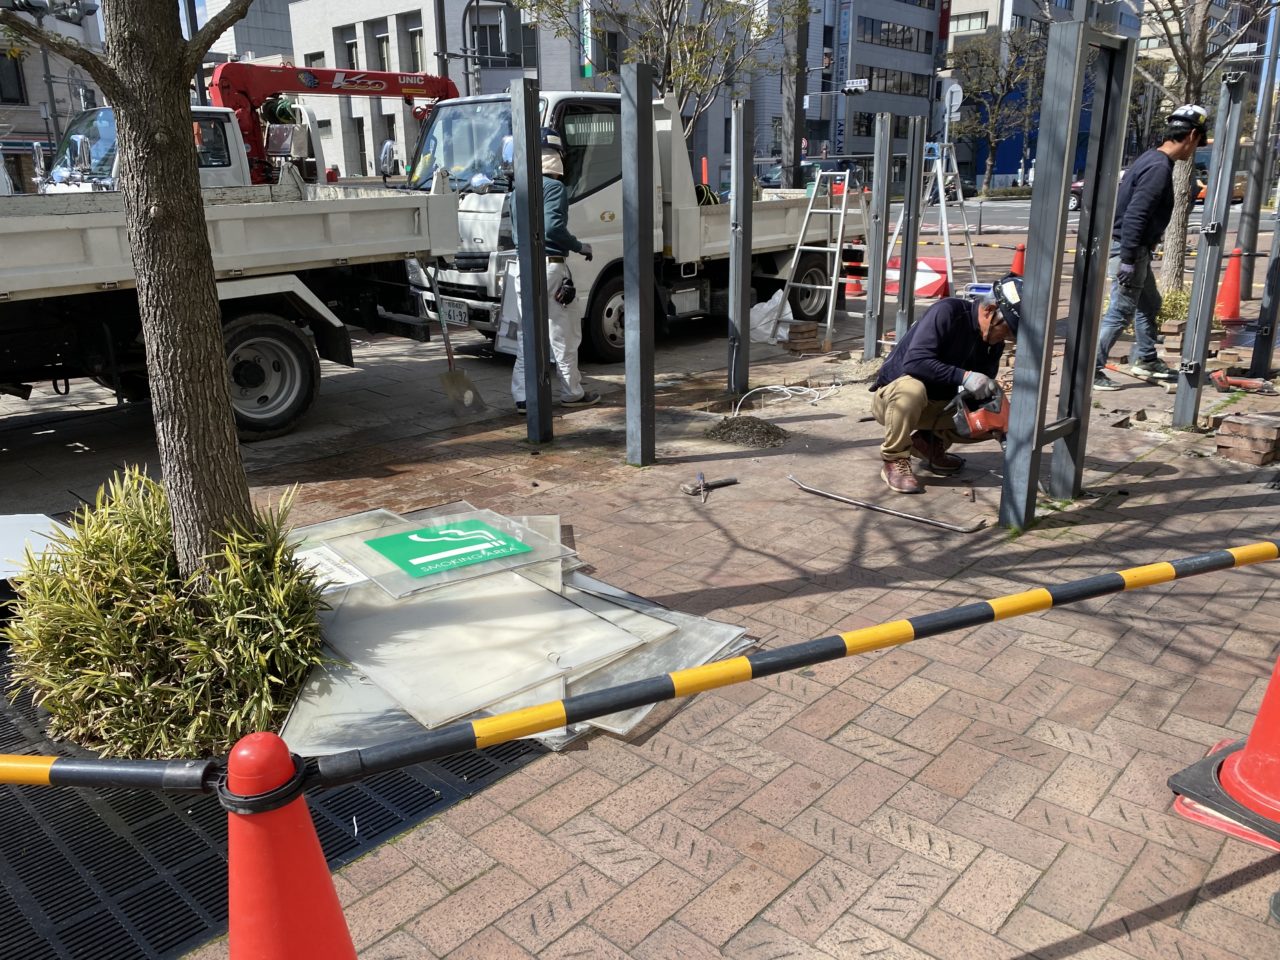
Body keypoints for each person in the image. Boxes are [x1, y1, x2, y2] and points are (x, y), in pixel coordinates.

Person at [869, 274, 1023, 494]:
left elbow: (978, 398)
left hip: (935, 406)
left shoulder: (992, 344)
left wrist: (1000, 421)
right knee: (912, 389)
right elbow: (916, 362)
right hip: (894, 399)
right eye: (1006, 329)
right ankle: (894, 459)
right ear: (989, 311)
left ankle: (928, 442)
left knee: (994, 415)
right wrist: (965, 377)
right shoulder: (948, 312)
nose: (1005, 338)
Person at [1094, 104, 1208, 391]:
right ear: (1192, 135)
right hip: (1129, 249)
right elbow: (1135, 215)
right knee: (1120, 311)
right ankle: (1089, 370)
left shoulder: (1151, 159)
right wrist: (1129, 258)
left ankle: (1145, 357)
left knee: (1150, 303)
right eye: (1197, 144)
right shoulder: (1158, 168)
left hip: (1135, 249)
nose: (1193, 151)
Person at [509, 127, 598, 412]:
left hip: (522, 268)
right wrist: (579, 246)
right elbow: (553, 227)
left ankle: (523, 397)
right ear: (557, 157)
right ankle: (571, 392)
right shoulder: (554, 188)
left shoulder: (518, 188)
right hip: (549, 267)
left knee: (528, 334)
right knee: (563, 331)